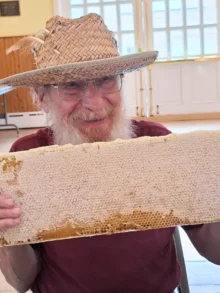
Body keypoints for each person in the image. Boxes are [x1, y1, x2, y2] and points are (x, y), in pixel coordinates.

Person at [0, 13, 219, 293]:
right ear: (42, 97)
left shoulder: (158, 144)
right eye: (71, 85)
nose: (94, 103)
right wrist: (9, 231)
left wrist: (213, 195)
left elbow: (216, 254)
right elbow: (20, 282)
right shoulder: (25, 158)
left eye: (105, 79)